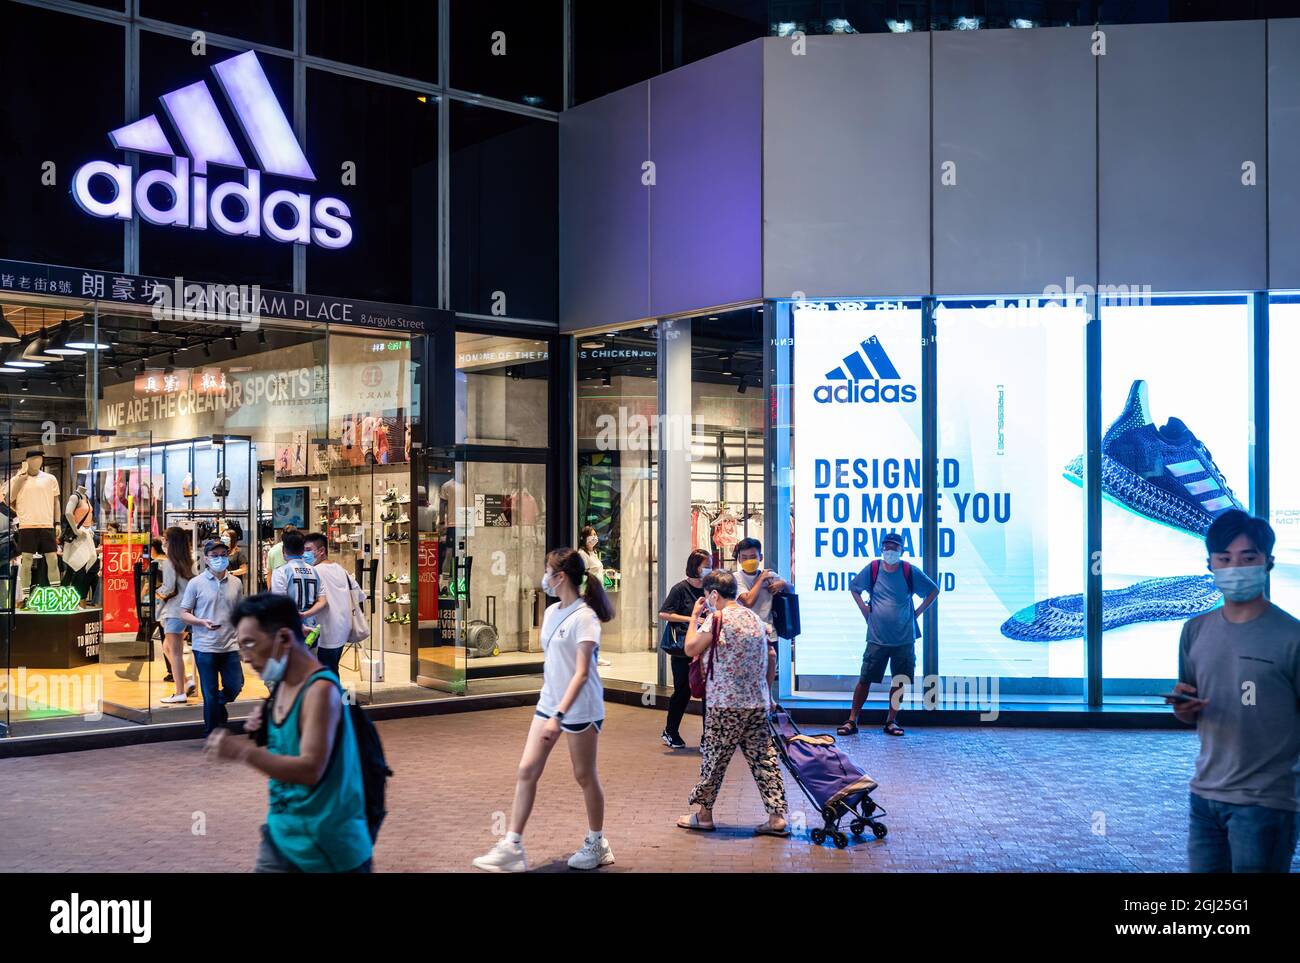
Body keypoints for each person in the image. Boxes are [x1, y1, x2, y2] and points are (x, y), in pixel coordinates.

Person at [1168, 510, 1300, 873]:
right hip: (1205, 796)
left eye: (1248, 558)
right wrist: (1184, 707)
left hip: (1266, 801)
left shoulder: (1291, 636)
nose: (1234, 568)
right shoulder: (1195, 630)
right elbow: (1189, 709)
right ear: (1209, 564)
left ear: (1268, 564)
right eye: (1224, 559)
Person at [204, 593, 373, 873]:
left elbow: (309, 769)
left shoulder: (320, 691)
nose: (245, 657)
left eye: (250, 644)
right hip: (282, 836)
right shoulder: (283, 685)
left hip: (327, 851)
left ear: (283, 638)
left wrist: (243, 752)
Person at [472, 547, 616, 872]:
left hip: (580, 708)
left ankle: (597, 843)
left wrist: (559, 716)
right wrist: (550, 711)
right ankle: (512, 845)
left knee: (584, 775)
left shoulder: (586, 618)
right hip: (548, 704)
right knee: (527, 770)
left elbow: (581, 673)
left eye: (547, 569)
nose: (544, 576)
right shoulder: (551, 613)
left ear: (560, 576)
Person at [676, 570, 787, 836]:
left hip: (725, 704)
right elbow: (771, 655)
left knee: (714, 760)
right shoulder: (755, 619)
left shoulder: (717, 618)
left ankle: (703, 815)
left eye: (707, 595)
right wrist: (768, 694)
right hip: (757, 703)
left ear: (714, 594)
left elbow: (690, 648)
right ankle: (776, 817)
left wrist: (693, 617)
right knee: (764, 759)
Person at [837, 532, 939, 738]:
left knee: (899, 681)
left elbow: (933, 591)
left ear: (901, 550)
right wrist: (864, 611)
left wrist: (915, 614)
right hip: (877, 637)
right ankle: (852, 719)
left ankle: (891, 721)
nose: (890, 551)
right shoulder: (873, 569)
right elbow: (854, 588)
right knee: (865, 679)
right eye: (887, 547)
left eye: (895, 548)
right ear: (882, 548)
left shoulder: (909, 570)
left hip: (904, 638)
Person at [180, 538, 245, 735]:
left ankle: (217, 705)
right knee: (209, 691)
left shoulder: (236, 582)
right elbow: (184, 612)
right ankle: (212, 732)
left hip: (230, 646)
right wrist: (201, 622)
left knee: (235, 686)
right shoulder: (196, 583)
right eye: (214, 556)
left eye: (223, 555)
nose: (219, 559)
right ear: (206, 559)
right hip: (205, 647)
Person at [658, 548, 711, 749]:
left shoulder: (709, 589)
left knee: (707, 692)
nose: (709, 568)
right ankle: (670, 731)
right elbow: (664, 613)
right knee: (683, 690)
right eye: (706, 565)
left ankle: (708, 736)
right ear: (695, 566)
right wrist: (693, 619)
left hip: (704, 646)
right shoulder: (680, 589)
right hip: (683, 647)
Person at [302, 532, 354, 677]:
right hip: (342, 629)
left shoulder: (314, 571)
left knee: (324, 674)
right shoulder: (340, 569)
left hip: (325, 632)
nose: (304, 554)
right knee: (331, 669)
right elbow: (358, 594)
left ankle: (332, 699)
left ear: (321, 551)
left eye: (308, 550)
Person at [270, 529, 326, 644]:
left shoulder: (281, 572)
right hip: (311, 629)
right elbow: (323, 601)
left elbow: (280, 606)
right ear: (302, 551)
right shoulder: (315, 571)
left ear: (284, 550)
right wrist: (305, 614)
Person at [733, 537, 789, 638]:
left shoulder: (769, 575)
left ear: (761, 557)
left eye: (753, 557)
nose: (749, 561)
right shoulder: (735, 578)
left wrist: (784, 584)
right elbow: (748, 601)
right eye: (744, 557)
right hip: (745, 635)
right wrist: (760, 579)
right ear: (739, 559)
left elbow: (791, 591)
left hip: (768, 634)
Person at [223, 526, 249, 590]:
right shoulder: (220, 551)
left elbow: (244, 570)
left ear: (232, 539)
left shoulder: (238, 552)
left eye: (226, 536)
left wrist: (230, 573)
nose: (223, 538)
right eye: (222, 536)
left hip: (234, 584)